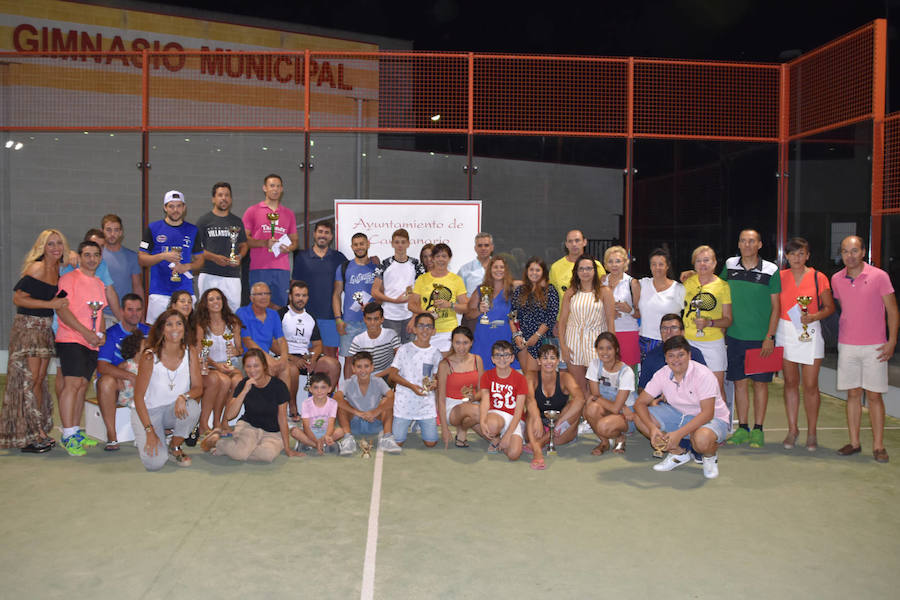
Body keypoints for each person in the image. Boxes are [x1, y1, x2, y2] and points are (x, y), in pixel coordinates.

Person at [0, 229, 69, 452]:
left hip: (44, 329)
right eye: (50, 244)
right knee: (29, 381)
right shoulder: (38, 267)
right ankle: (29, 435)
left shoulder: (58, 268)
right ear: (42, 247)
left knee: (39, 380)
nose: (55, 248)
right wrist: (51, 305)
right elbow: (18, 297)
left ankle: (37, 429)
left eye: (59, 243)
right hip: (28, 328)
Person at [831, 235, 898, 463]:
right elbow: (845, 308)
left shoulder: (880, 276)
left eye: (854, 251)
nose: (849, 256)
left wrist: (891, 342)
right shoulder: (836, 279)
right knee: (852, 395)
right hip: (847, 345)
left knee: (874, 396)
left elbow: (893, 311)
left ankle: (879, 447)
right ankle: (854, 443)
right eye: (844, 251)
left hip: (875, 347)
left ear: (863, 251)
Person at [633, 336, 730, 479]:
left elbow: (708, 413)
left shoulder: (703, 374)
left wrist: (678, 434)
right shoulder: (662, 373)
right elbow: (639, 403)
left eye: (681, 355)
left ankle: (710, 457)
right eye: (671, 356)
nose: (676, 360)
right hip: (679, 414)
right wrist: (653, 429)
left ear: (689, 355)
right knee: (640, 418)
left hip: (712, 418)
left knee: (701, 440)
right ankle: (678, 454)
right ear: (665, 358)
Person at [719, 230, 780, 448]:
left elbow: (776, 308)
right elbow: (716, 289)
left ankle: (758, 429)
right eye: (743, 240)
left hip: (760, 340)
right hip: (735, 337)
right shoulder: (730, 264)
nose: (747, 244)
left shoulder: (771, 269)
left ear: (760, 244)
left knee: (761, 385)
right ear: (739, 243)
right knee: (740, 384)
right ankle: (743, 428)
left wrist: (770, 337)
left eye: (751, 241)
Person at [777, 238, 835, 451]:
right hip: (785, 331)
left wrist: (814, 316)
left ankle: (812, 432)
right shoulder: (779, 277)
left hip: (810, 330)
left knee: (810, 385)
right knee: (790, 383)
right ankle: (793, 430)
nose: (797, 258)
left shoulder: (819, 277)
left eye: (801, 254)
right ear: (787, 256)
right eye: (792, 254)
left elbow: (829, 307)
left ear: (808, 255)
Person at [201, 348, 303, 461]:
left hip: (272, 432)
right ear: (244, 368)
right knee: (240, 454)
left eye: (256, 366)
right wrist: (244, 390)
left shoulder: (279, 386)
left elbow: (282, 418)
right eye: (248, 366)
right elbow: (230, 415)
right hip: (249, 426)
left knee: (266, 456)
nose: (252, 370)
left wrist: (287, 448)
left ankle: (228, 447)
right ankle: (217, 442)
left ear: (264, 366)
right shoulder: (243, 384)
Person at [131, 309, 202, 470]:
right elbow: (138, 397)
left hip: (173, 409)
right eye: (169, 324)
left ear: (184, 329)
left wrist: (183, 396)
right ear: (161, 329)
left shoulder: (190, 352)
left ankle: (174, 446)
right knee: (155, 463)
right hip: (149, 412)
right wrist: (149, 431)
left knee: (192, 407)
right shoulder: (149, 356)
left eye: (179, 324)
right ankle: (149, 433)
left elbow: (198, 388)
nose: (174, 329)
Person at [54, 240, 107, 456]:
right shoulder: (68, 279)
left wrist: (100, 335)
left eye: (95, 255)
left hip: (91, 343)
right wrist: (85, 333)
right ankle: (67, 435)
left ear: (100, 258)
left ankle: (75, 430)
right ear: (81, 257)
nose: (92, 259)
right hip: (70, 339)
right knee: (72, 384)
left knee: (83, 386)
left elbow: (100, 314)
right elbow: (62, 311)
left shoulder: (99, 283)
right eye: (87, 255)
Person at [278, 280, 342, 418]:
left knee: (333, 364)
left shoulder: (310, 317)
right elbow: (273, 343)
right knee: (292, 369)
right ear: (290, 297)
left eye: (304, 295)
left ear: (307, 297)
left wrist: (312, 360)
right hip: (286, 356)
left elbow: (318, 344)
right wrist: (292, 358)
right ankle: (293, 407)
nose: (300, 299)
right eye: (297, 295)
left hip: (305, 357)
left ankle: (322, 406)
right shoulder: (281, 314)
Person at [139, 190, 203, 325]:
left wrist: (187, 266)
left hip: (185, 291)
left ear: (184, 207)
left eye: (179, 206)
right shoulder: (153, 228)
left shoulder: (193, 230)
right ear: (165, 207)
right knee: (156, 333)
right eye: (171, 206)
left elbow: (200, 260)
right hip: (159, 291)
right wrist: (163, 256)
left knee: (186, 331)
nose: (175, 210)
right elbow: (142, 259)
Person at [96, 293, 150, 450]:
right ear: (121, 311)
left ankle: (164, 428)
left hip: (143, 381)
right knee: (107, 382)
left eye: (138, 310)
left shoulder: (149, 331)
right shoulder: (111, 334)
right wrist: (128, 375)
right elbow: (102, 367)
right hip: (116, 385)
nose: (135, 314)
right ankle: (112, 436)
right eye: (130, 310)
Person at [559, 255, 616, 397]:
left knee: (595, 389)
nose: (585, 272)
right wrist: (563, 346)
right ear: (576, 272)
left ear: (595, 271)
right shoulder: (570, 292)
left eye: (589, 268)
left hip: (597, 344)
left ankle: (593, 418)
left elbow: (610, 321)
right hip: (573, 343)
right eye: (581, 269)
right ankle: (583, 419)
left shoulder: (604, 292)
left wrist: (612, 347)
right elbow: (562, 322)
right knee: (579, 389)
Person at [193, 288, 245, 441]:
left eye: (218, 298)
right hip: (210, 365)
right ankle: (214, 421)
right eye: (211, 299)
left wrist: (236, 351)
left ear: (223, 301)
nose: (216, 302)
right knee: (224, 380)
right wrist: (216, 365)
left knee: (237, 381)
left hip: (230, 364)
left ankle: (224, 421)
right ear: (205, 304)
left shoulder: (233, 321)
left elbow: (240, 348)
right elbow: (200, 352)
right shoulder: (201, 324)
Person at [681, 245, 732, 402]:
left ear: (714, 263)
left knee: (716, 388)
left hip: (713, 344)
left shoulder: (723, 286)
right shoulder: (687, 282)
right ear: (694, 264)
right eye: (698, 261)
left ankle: (722, 424)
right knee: (690, 388)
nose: (702, 264)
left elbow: (728, 319)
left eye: (706, 260)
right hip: (689, 342)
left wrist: (709, 323)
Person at [584, 332, 646, 455]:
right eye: (601, 348)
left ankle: (620, 437)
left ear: (616, 349)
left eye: (609, 348)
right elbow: (595, 395)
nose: (605, 352)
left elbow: (613, 406)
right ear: (596, 350)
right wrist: (595, 398)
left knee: (603, 426)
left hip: (627, 413)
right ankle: (604, 442)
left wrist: (596, 398)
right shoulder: (595, 364)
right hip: (610, 407)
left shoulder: (626, 372)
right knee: (590, 409)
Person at [524, 344, 584, 470]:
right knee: (531, 411)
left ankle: (538, 446)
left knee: (574, 407)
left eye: (552, 358)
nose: (549, 362)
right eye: (545, 358)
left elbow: (580, 399)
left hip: (560, 430)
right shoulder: (531, 375)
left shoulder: (565, 377)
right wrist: (536, 419)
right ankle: (538, 449)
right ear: (538, 361)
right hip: (537, 427)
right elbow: (529, 399)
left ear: (557, 360)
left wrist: (559, 422)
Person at [291, 221, 347, 357]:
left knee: (331, 357)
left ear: (331, 236)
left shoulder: (338, 258)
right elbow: (294, 286)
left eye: (327, 233)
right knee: (309, 357)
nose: (323, 235)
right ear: (314, 234)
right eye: (320, 232)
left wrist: (371, 261)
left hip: (331, 316)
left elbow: (353, 274)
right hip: (307, 316)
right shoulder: (301, 257)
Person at [242, 174, 298, 308]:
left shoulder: (288, 214)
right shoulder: (252, 211)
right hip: (259, 268)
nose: (275, 189)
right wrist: (264, 243)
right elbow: (244, 240)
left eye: (278, 186)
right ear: (264, 188)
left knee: (280, 308)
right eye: (272, 186)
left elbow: (295, 241)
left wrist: (289, 248)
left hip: (282, 269)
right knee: (258, 307)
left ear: (282, 189)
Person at [388, 313, 444, 447]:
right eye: (421, 326)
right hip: (404, 402)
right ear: (414, 329)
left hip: (425, 403)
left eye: (429, 327)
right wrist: (411, 386)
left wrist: (435, 384)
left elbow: (436, 378)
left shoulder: (436, 353)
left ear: (434, 331)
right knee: (397, 442)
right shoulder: (403, 349)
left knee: (431, 443)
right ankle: (409, 421)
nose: (425, 330)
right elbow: (393, 375)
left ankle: (419, 423)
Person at [334, 351, 403, 454]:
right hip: (354, 424)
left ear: (372, 367)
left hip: (374, 421)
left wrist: (375, 412)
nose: (363, 370)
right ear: (353, 369)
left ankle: (387, 438)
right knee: (341, 404)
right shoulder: (348, 382)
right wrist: (358, 413)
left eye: (366, 366)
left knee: (387, 401)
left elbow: (392, 397)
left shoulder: (378, 381)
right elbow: (336, 398)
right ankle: (348, 439)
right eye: (359, 367)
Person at [196, 182, 248, 312]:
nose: (223, 198)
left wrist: (240, 256)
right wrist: (213, 257)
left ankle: (230, 334)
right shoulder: (204, 221)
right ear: (213, 198)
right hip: (209, 273)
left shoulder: (237, 221)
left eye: (227, 195)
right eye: (220, 195)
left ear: (231, 199)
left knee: (233, 312)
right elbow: (194, 248)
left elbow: (244, 245)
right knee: (206, 312)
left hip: (232, 275)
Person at [409, 243, 468, 352]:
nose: (441, 259)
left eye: (444, 256)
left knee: (445, 367)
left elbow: (466, 307)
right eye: (437, 256)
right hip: (425, 330)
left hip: (448, 331)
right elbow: (411, 304)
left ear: (449, 258)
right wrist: (424, 312)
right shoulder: (422, 279)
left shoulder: (456, 280)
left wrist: (449, 305)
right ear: (433, 258)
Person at [236, 282, 292, 394]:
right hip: (247, 358)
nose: (264, 297)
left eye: (267, 293)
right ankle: (267, 408)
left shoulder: (273, 314)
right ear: (251, 298)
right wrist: (267, 358)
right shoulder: (242, 312)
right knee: (269, 368)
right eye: (260, 294)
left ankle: (283, 408)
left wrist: (284, 358)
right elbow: (247, 341)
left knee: (287, 368)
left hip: (266, 357)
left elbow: (281, 339)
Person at [371, 228, 425, 343]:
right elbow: (375, 291)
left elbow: (420, 291)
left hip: (410, 316)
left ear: (408, 243)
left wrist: (415, 316)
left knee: (409, 351)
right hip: (389, 316)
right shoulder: (384, 264)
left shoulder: (416, 265)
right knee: (391, 354)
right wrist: (393, 300)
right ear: (392, 244)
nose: (400, 245)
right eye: (397, 242)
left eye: (403, 242)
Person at [334, 232, 379, 362]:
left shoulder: (377, 267)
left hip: (372, 321)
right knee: (349, 361)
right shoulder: (344, 267)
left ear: (368, 244)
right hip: (349, 322)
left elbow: (382, 292)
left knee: (371, 361)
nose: (359, 247)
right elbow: (336, 294)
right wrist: (338, 319)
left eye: (362, 244)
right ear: (352, 247)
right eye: (356, 245)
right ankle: (348, 384)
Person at [479, 340, 527, 461]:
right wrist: (482, 421)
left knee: (514, 454)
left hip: (514, 418)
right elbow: (485, 400)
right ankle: (495, 438)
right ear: (493, 359)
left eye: (506, 355)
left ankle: (500, 440)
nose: (502, 359)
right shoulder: (487, 375)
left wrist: (508, 435)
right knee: (491, 425)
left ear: (512, 358)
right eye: (498, 355)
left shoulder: (520, 378)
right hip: (496, 414)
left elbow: (519, 410)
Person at [466, 256, 518, 370]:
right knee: (482, 378)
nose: (498, 270)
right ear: (490, 270)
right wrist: (479, 310)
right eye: (495, 267)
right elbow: (469, 314)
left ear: (506, 270)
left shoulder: (512, 290)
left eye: (501, 267)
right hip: (483, 340)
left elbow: (529, 282)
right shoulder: (480, 290)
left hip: (504, 339)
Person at [436, 326, 484, 449]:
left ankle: (462, 430)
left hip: (472, 404)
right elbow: (440, 399)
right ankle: (462, 429)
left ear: (471, 343)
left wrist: (474, 397)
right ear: (452, 343)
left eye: (465, 343)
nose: (461, 347)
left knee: (493, 437)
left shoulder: (477, 360)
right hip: (452, 407)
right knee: (478, 412)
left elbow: (482, 391)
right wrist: (444, 429)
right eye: (457, 343)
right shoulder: (444, 364)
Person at [510, 257, 559, 373]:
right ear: (527, 271)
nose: (534, 273)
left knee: (533, 377)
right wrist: (516, 335)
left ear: (543, 272)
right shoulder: (519, 290)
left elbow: (551, 317)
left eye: (538, 270)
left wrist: (536, 336)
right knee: (526, 375)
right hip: (521, 339)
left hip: (540, 339)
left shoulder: (550, 291)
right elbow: (512, 314)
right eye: (531, 270)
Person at [548, 229, 606, 321]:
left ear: (584, 242)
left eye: (577, 240)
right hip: (565, 321)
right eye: (570, 241)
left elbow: (604, 294)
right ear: (566, 244)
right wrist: (555, 322)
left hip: (592, 320)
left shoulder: (597, 266)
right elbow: (552, 299)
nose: (574, 244)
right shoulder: (556, 267)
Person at [638, 314, 707, 391]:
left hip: (689, 399)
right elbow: (642, 388)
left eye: (673, 328)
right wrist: (653, 401)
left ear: (682, 332)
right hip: (659, 401)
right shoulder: (651, 356)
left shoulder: (695, 354)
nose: (668, 332)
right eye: (664, 328)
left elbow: (705, 384)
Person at [637, 248, 685, 360]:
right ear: (650, 266)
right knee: (648, 375)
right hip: (646, 340)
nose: (657, 268)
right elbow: (623, 283)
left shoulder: (679, 289)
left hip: (671, 341)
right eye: (653, 264)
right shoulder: (642, 284)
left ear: (667, 266)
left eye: (661, 264)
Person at [602, 246, 641, 367]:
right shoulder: (601, 282)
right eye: (610, 261)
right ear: (606, 264)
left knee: (627, 373)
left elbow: (640, 314)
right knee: (607, 373)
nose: (614, 265)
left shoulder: (632, 283)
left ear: (625, 263)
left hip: (627, 332)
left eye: (618, 261)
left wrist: (629, 310)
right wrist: (608, 313)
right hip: (605, 331)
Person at [100, 214, 143, 326]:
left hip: (127, 316)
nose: (112, 234)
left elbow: (137, 287)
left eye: (116, 230)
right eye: (108, 230)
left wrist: (141, 316)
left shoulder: (132, 256)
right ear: (102, 231)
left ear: (121, 232)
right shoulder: (96, 257)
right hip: (101, 315)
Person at [289, 373, 345, 455]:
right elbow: (306, 427)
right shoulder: (306, 403)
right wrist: (316, 442)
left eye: (323, 387)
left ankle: (310, 444)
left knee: (341, 431)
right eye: (316, 387)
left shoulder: (333, 403)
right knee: (294, 431)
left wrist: (325, 437)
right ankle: (319, 446)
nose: (319, 391)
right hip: (310, 433)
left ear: (329, 389)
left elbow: (331, 425)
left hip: (326, 434)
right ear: (310, 389)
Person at [345, 303, 400, 380]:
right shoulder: (358, 340)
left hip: (386, 374)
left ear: (382, 319)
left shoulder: (391, 335)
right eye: (369, 319)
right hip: (365, 375)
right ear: (364, 319)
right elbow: (353, 365)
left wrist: (375, 377)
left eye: (376, 319)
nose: (372, 323)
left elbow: (399, 361)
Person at [457, 232, 495, 331]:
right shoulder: (465, 270)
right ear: (475, 248)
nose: (483, 248)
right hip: (471, 317)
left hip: (495, 315)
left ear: (492, 247)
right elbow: (458, 295)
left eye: (486, 245)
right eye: (480, 245)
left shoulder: (499, 269)